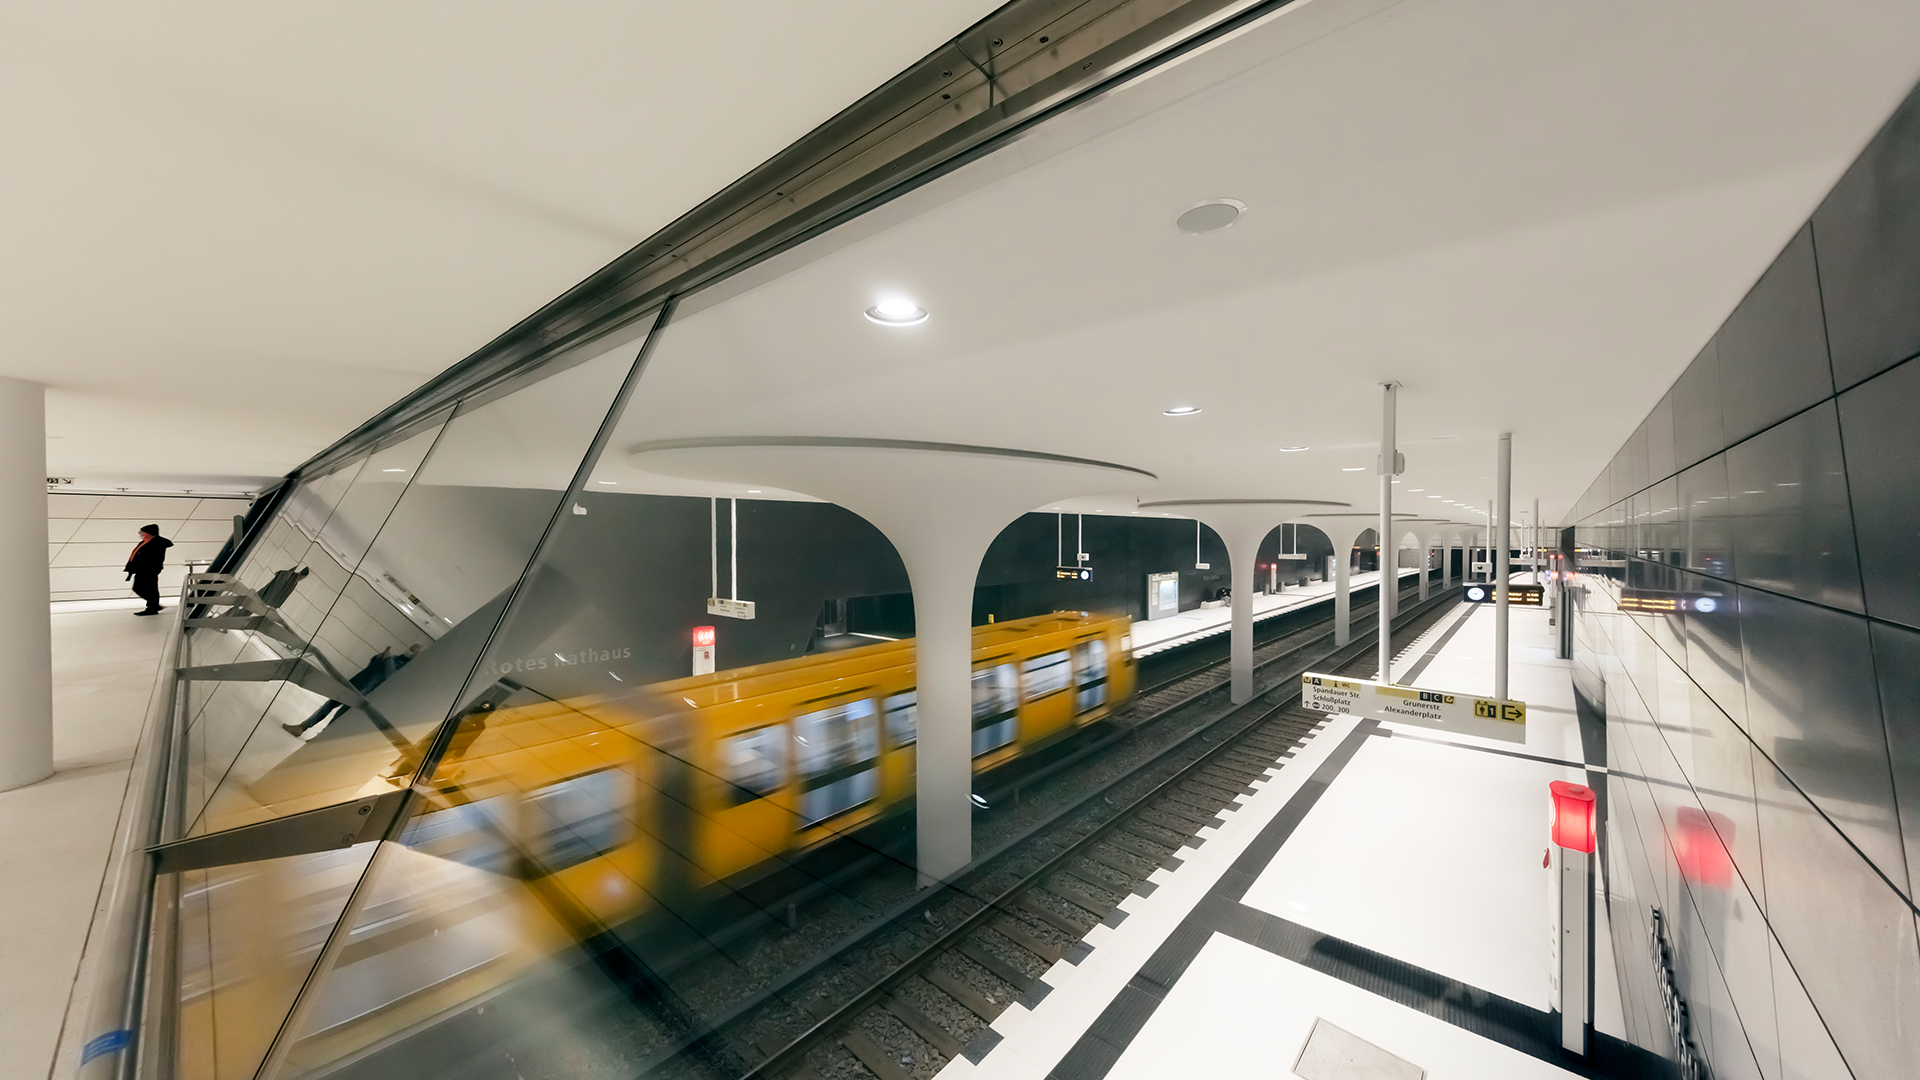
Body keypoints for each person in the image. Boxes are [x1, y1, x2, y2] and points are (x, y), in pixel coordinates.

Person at [284, 643, 420, 739]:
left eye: (415, 650)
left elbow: (389, 676)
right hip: (357, 684)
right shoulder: (395, 658)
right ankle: (302, 727)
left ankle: (319, 739)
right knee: (330, 704)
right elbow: (373, 666)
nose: (411, 650)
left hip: (365, 694)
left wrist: (387, 658)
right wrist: (379, 657)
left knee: (340, 715)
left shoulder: (403, 668)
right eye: (412, 648)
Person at [125, 525, 173, 616]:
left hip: (149, 570)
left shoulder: (157, 543)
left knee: (148, 589)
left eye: (142, 532)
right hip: (142, 570)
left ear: (148, 533)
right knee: (143, 588)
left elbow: (153, 558)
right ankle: (153, 605)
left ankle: (152, 607)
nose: (140, 533)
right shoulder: (145, 542)